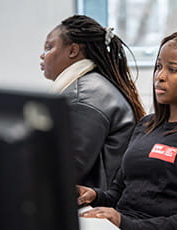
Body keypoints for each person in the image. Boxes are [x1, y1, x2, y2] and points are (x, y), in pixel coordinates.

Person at [77, 29, 177, 229]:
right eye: (158, 66)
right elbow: (119, 194)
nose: (160, 76)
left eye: (172, 69)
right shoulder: (146, 125)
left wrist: (127, 224)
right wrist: (95, 195)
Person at [40, 15, 146, 191]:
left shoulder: (83, 97)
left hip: (98, 205)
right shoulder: (88, 86)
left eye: (49, 47)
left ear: (73, 51)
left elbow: (68, 170)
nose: (42, 55)